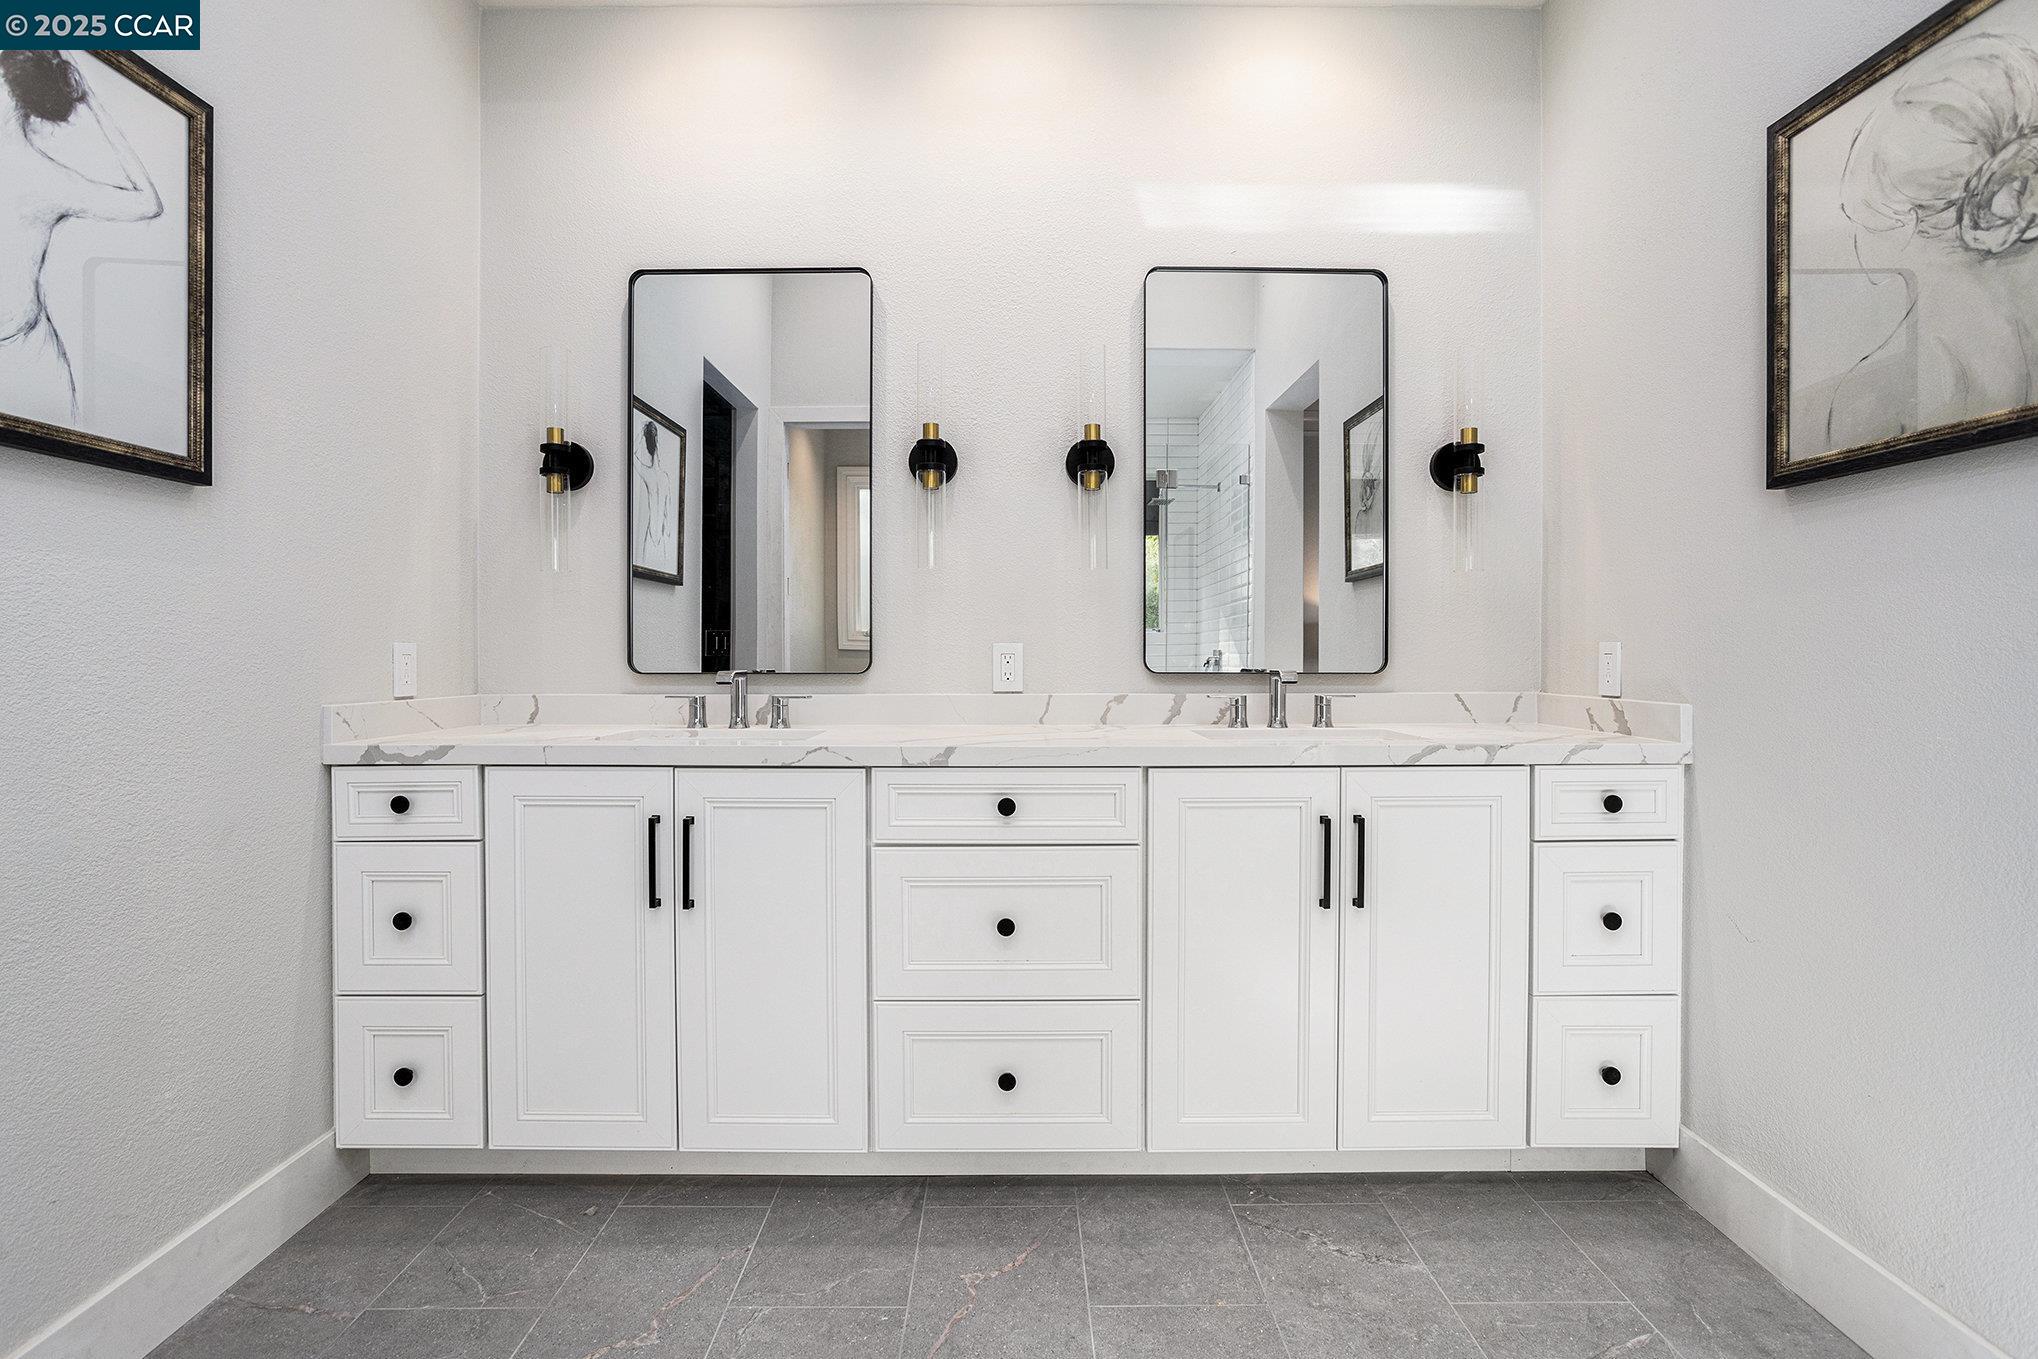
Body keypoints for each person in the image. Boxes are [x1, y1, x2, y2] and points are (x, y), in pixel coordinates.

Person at [0, 50, 164, 427]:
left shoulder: (41, 178)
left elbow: (147, 202)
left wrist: (89, 101)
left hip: (28, 349)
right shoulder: (43, 178)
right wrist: (88, 100)